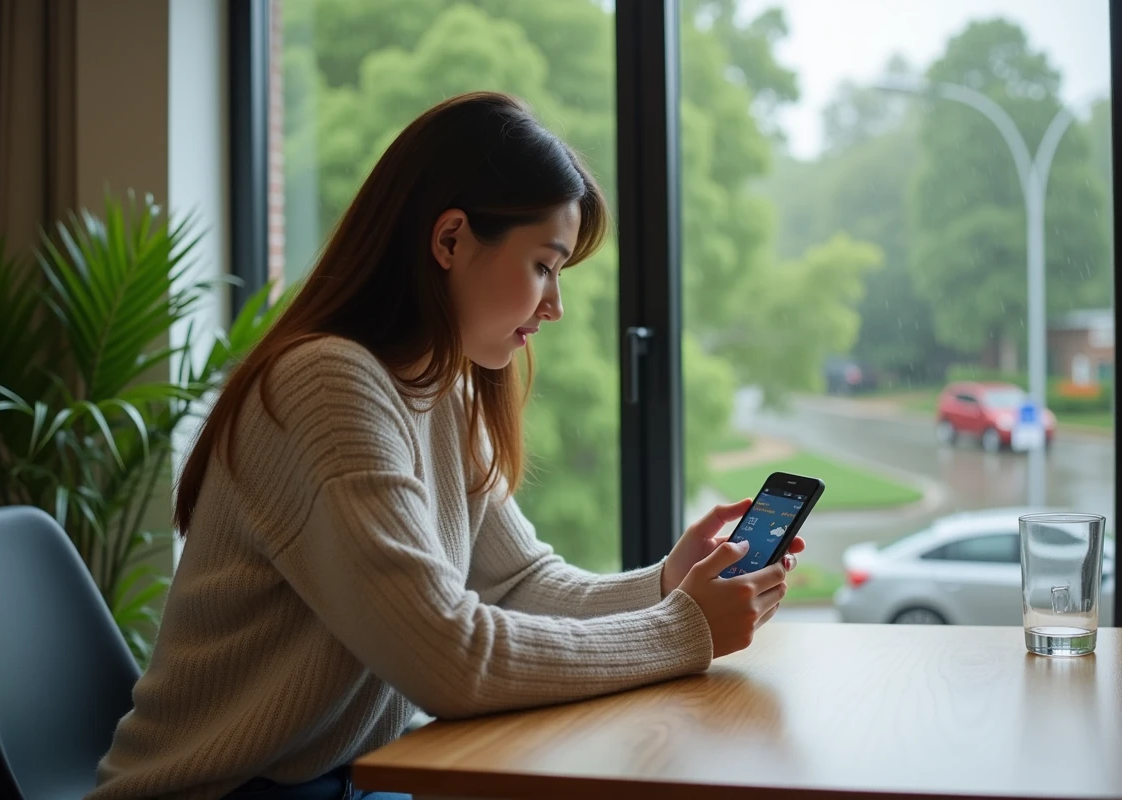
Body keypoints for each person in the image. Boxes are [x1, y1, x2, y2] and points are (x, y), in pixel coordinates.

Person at [87, 91, 804, 800]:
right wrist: (681, 630)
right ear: (451, 239)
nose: (554, 305)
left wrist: (664, 585)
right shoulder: (327, 385)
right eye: (543, 266)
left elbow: (518, 584)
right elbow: (452, 661)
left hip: (342, 782)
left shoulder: (437, 386)